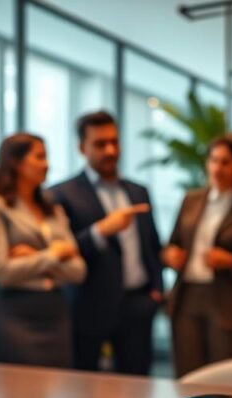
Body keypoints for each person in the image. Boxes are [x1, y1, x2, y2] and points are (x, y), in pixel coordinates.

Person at [48, 111, 163, 374]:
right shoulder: (63, 194)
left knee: (138, 389)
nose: (110, 150)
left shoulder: (137, 191)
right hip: (88, 307)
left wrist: (156, 288)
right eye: (100, 144)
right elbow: (62, 250)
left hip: (138, 306)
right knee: (83, 392)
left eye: (115, 142)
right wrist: (100, 231)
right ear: (82, 147)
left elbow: (152, 245)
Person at [0, 134, 85, 368]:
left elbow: (78, 271)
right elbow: (4, 271)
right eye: (39, 157)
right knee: (19, 395)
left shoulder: (52, 208)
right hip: (15, 313)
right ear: (16, 162)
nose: (46, 164)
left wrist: (33, 256)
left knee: (56, 393)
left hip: (55, 310)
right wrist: (56, 254)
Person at [163, 134, 232, 377]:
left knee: (224, 378)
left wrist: (230, 261)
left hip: (226, 301)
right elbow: (171, 244)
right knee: (187, 376)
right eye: (214, 161)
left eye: (226, 162)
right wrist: (170, 255)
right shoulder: (192, 200)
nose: (217, 168)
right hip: (187, 296)